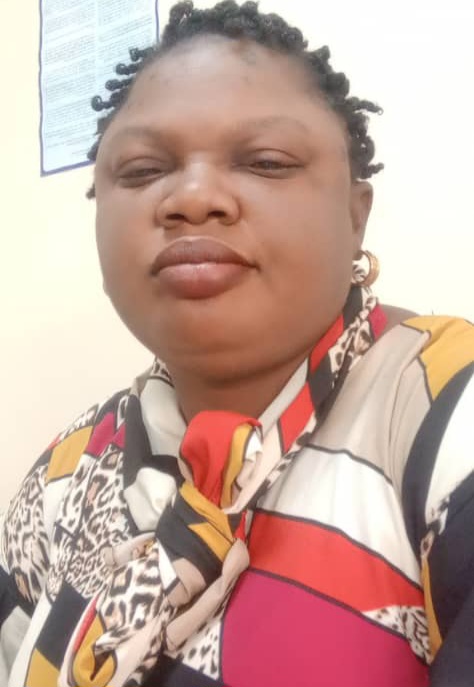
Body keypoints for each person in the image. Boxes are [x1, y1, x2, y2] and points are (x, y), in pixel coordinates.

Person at [1, 1, 473, 685]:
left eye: (266, 161)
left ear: (355, 215)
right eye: (141, 170)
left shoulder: (441, 411)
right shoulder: (66, 472)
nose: (194, 198)